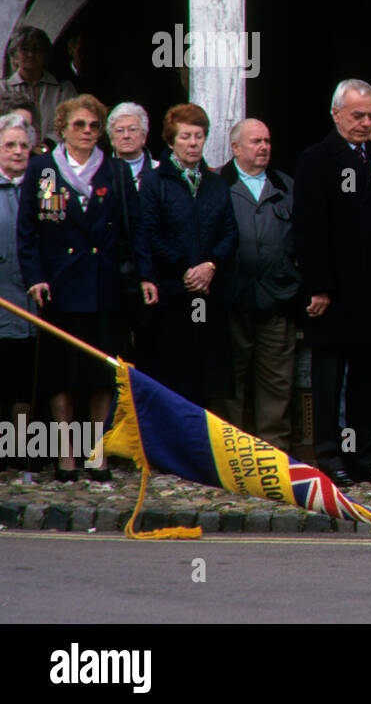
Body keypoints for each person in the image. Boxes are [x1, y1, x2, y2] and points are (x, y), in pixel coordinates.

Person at [18, 95, 155, 481]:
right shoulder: (42, 168)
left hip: (104, 287)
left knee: (100, 376)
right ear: (62, 128)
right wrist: (35, 277)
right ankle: (65, 457)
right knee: (59, 376)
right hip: (59, 287)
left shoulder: (115, 171)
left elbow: (136, 229)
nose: (88, 132)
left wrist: (145, 276)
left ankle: (98, 455)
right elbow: (27, 231)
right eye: (80, 125)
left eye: (95, 126)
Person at [292, 79, 371, 488]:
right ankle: (329, 454)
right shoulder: (316, 158)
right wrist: (319, 286)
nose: (366, 123)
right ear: (336, 113)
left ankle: (364, 455)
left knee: (370, 380)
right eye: (358, 115)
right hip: (335, 293)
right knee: (328, 379)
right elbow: (308, 227)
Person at [137, 103, 238, 407]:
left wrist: (210, 266)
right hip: (173, 294)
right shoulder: (155, 182)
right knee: (172, 376)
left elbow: (230, 232)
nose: (193, 143)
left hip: (209, 293)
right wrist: (186, 270)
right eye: (185, 137)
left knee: (207, 379)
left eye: (199, 136)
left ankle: (201, 451)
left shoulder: (217, 183)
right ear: (170, 141)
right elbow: (151, 233)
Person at [216, 118, 300, 451]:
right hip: (232, 297)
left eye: (266, 141)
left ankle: (274, 453)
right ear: (235, 147)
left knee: (277, 380)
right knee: (230, 379)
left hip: (276, 297)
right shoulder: (217, 184)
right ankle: (230, 452)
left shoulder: (285, 185)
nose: (263, 147)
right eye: (255, 141)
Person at [0, 113, 37, 470]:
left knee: (24, 384)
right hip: (1, 302)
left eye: (24, 145)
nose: (17, 151)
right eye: (9, 145)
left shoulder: (43, 188)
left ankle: (21, 451)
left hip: (31, 307)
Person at [2, 27, 76, 147]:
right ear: (14, 56)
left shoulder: (63, 89)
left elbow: (72, 121)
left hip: (53, 155)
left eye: (37, 49)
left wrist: (48, 144)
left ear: (46, 55)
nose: (31, 54)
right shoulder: (3, 88)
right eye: (24, 50)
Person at [106, 102, 159, 190]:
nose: (126, 135)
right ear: (111, 138)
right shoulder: (100, 173)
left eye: (132, 129)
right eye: (120, 130)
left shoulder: (160, 171)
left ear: (144, 136)